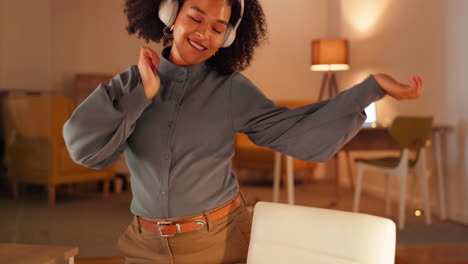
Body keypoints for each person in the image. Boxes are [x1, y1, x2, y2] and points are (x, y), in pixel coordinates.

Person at [63, 0, 423, 263]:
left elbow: (297, 132)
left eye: (218, 28)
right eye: (196, 17)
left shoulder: (232, 89)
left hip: (219, 244)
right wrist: (143, 95)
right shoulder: (130, 83)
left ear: (230, 36)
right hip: (144, 247)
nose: (204, 33)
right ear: (170, 16)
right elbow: (86, 149)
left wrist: (372, 87)